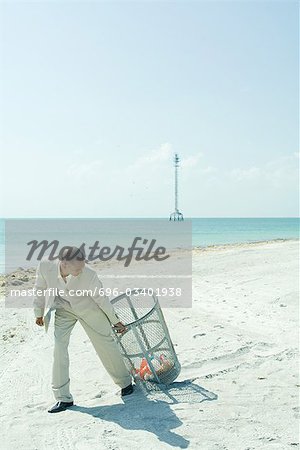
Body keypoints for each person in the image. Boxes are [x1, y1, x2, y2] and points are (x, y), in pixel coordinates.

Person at [33, 246, 133, 413]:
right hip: (63, 310)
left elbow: (102, 299)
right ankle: (63, 398)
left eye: (83, 265)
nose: (81, 269)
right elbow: (40, 289)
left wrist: (115, 321)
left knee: (105, 344)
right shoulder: (45, 266)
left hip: (89, 310)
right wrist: (38, 313)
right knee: (59, 348)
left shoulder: (89, 274)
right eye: (77, 267)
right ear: (64, 263)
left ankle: (125, 383)